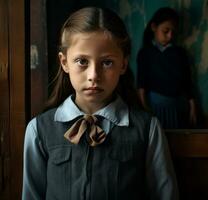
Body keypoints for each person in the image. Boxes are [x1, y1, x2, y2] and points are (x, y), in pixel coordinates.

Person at [22, 7, 178, 200]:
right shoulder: (39, 130)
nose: (93, 76)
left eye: (107, 63)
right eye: (81, 61)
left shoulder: (147, 128)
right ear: (64, 63)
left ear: (123, 64)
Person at [137, 7, 197, 129]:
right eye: (165, 31)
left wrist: (193, 108)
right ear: (154, 27)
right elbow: (141, 84)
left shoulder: (179, 53)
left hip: (179, 108)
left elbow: (187, 82)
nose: (170, 36)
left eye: (173, 32)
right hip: (155, 108)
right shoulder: (145, 53)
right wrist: (143, 108)